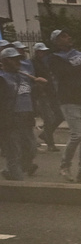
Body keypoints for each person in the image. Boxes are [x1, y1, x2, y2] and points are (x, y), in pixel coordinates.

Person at [47, 29, 81, 183]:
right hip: (69, 100)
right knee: (77, 135)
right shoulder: (55, 58)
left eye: (68, 35)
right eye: (63, 36)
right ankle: (64, 166)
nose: (68, 37)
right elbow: (67, 73)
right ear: (56, 41)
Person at [0, 47, 38, 180]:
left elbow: (29, 94)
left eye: (19, 59)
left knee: (31, 148)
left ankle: (11, 170)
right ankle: (18, 184)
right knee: (14, 151)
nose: (18, 62)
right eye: (14, 59)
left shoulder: (23, 76)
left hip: (26, 117)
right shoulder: (3, 79)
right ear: (5, 61)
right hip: (10, 119)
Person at [29, 43, 60, 152]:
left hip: (51, 91)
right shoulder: (33, 63)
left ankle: (45, 134)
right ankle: (50, 143)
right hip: (41, 93)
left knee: (60, 115)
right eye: (41, 51)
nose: (43, 53)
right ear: (37, 52)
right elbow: (34, 78)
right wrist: (40, 90)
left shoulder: (46, 61)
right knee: (48, 118)